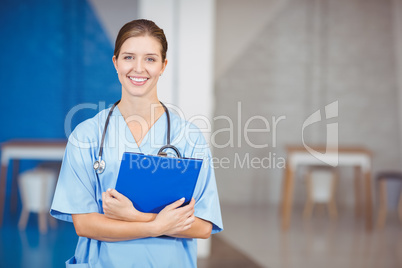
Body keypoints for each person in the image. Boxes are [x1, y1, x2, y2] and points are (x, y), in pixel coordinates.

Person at [50, 19, 223, 267]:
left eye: (150, 59)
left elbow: (204, 226)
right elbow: (85, 224)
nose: (138, 68)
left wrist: (134, 216)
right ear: (115, 62)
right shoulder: (86, 136)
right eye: (129, 57)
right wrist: (157, 225)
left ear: (163, 66)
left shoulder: (189, 137)